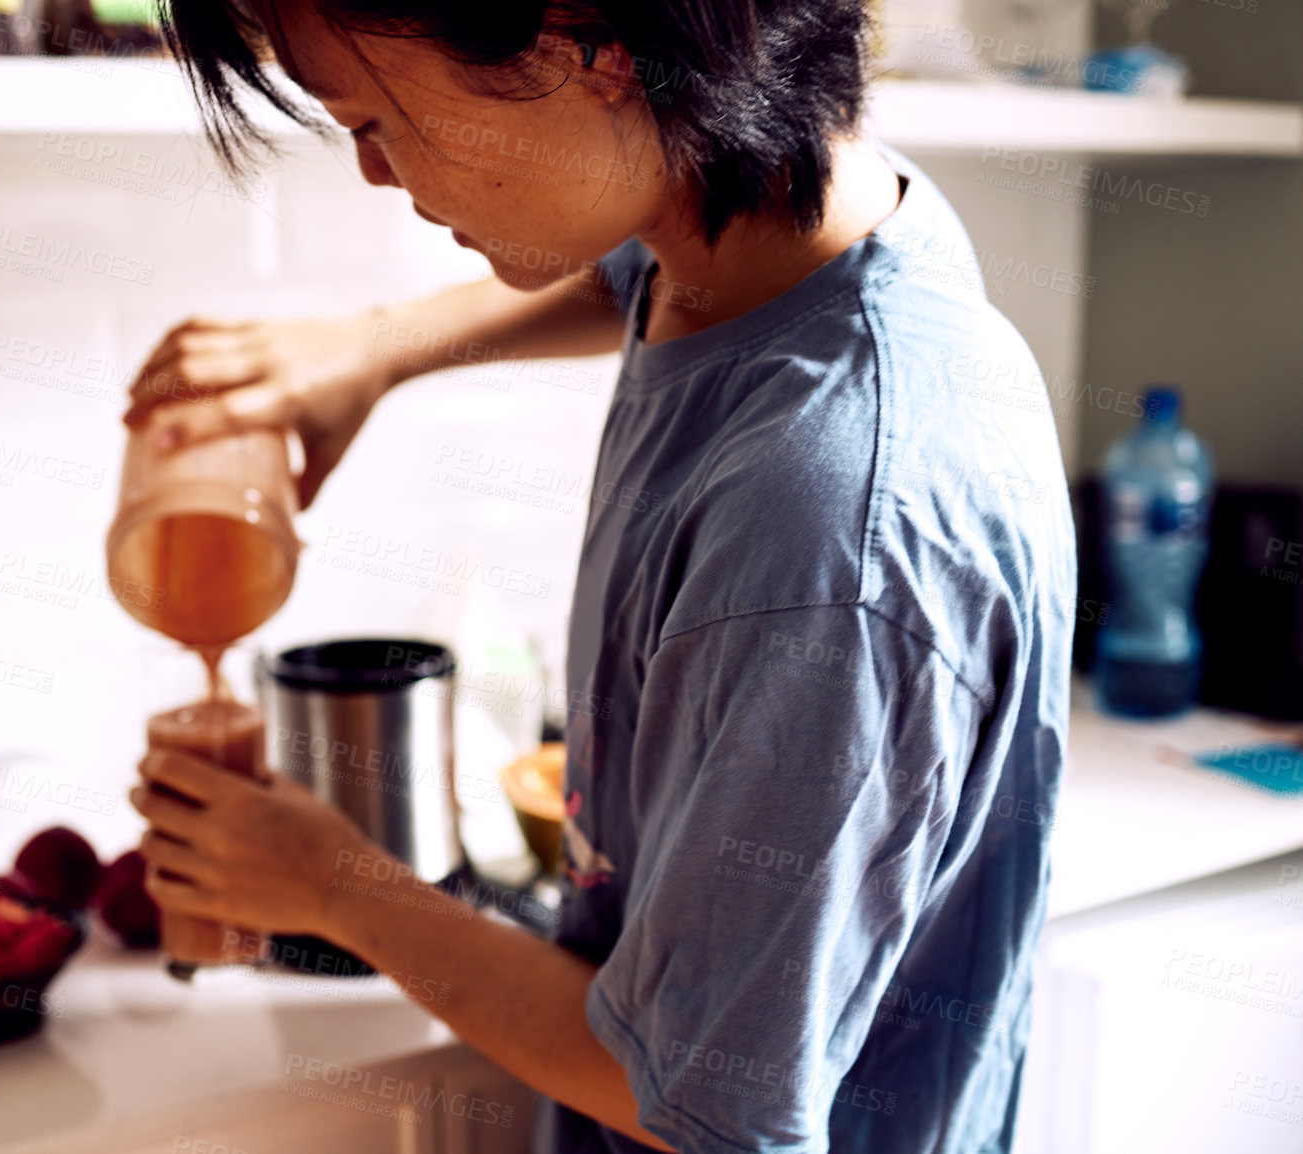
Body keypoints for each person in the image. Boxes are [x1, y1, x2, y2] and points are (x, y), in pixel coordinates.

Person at [124, 1, 1076, 1151]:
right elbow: (627, 268)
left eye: (374, 119)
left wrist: (332, 885)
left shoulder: (831, 533)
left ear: (585, 45)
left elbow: (695, 1105)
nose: (372, 171)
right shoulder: (796, 221)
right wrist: (374, 348)